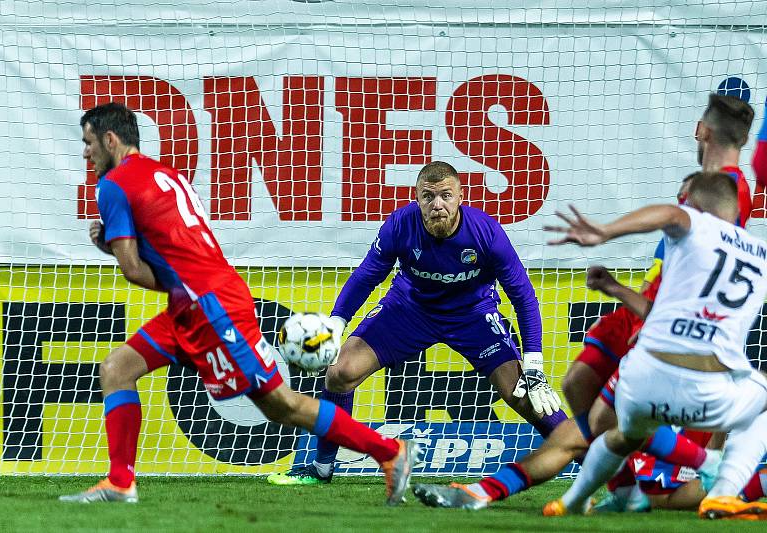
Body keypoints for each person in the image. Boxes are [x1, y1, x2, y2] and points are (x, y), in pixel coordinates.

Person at [412, 93, 758, 511]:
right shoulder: (712, 193)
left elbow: (682, 229)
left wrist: (605, 233)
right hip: (647, 316)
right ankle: (633, 483)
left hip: (668, 335)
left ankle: (486, 492)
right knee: (579, 387)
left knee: (598, 433)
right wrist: (618, 290)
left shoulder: (726, 191)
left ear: (703, 130)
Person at [59, 102, 417, 504]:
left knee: (283, 406)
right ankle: (120, 482)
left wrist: (108, 246)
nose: (86, 153)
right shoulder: (167, 175)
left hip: (212, 309)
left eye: (88, 142)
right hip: (197, 301)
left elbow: (134, 270)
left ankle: (390, 452)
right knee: (116, 369)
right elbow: (183, 253)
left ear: (110, 139)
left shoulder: (113, 184)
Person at [268, 161, 566, 485]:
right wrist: (338, 322)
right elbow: (368, 274)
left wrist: (534, 362)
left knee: (525, 394)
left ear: (460, 197)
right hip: (409, 309)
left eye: (446, 196)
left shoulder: (487, 233)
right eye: (428, 196)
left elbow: (523, 296)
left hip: (474, 315)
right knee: (340, 372)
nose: (437, 205)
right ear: (417, 198)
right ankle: (322, 468)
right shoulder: (400, 224)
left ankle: (599, 466)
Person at [542, 171, 767, 520]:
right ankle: (723, 492)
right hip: (709, 396)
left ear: (693, 204)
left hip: (644, 382)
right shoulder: (761, 254)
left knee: (618, 433)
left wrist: (606, 231)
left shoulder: (692, 231)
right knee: (760, 400)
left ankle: (574, 500)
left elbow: (668, 214)